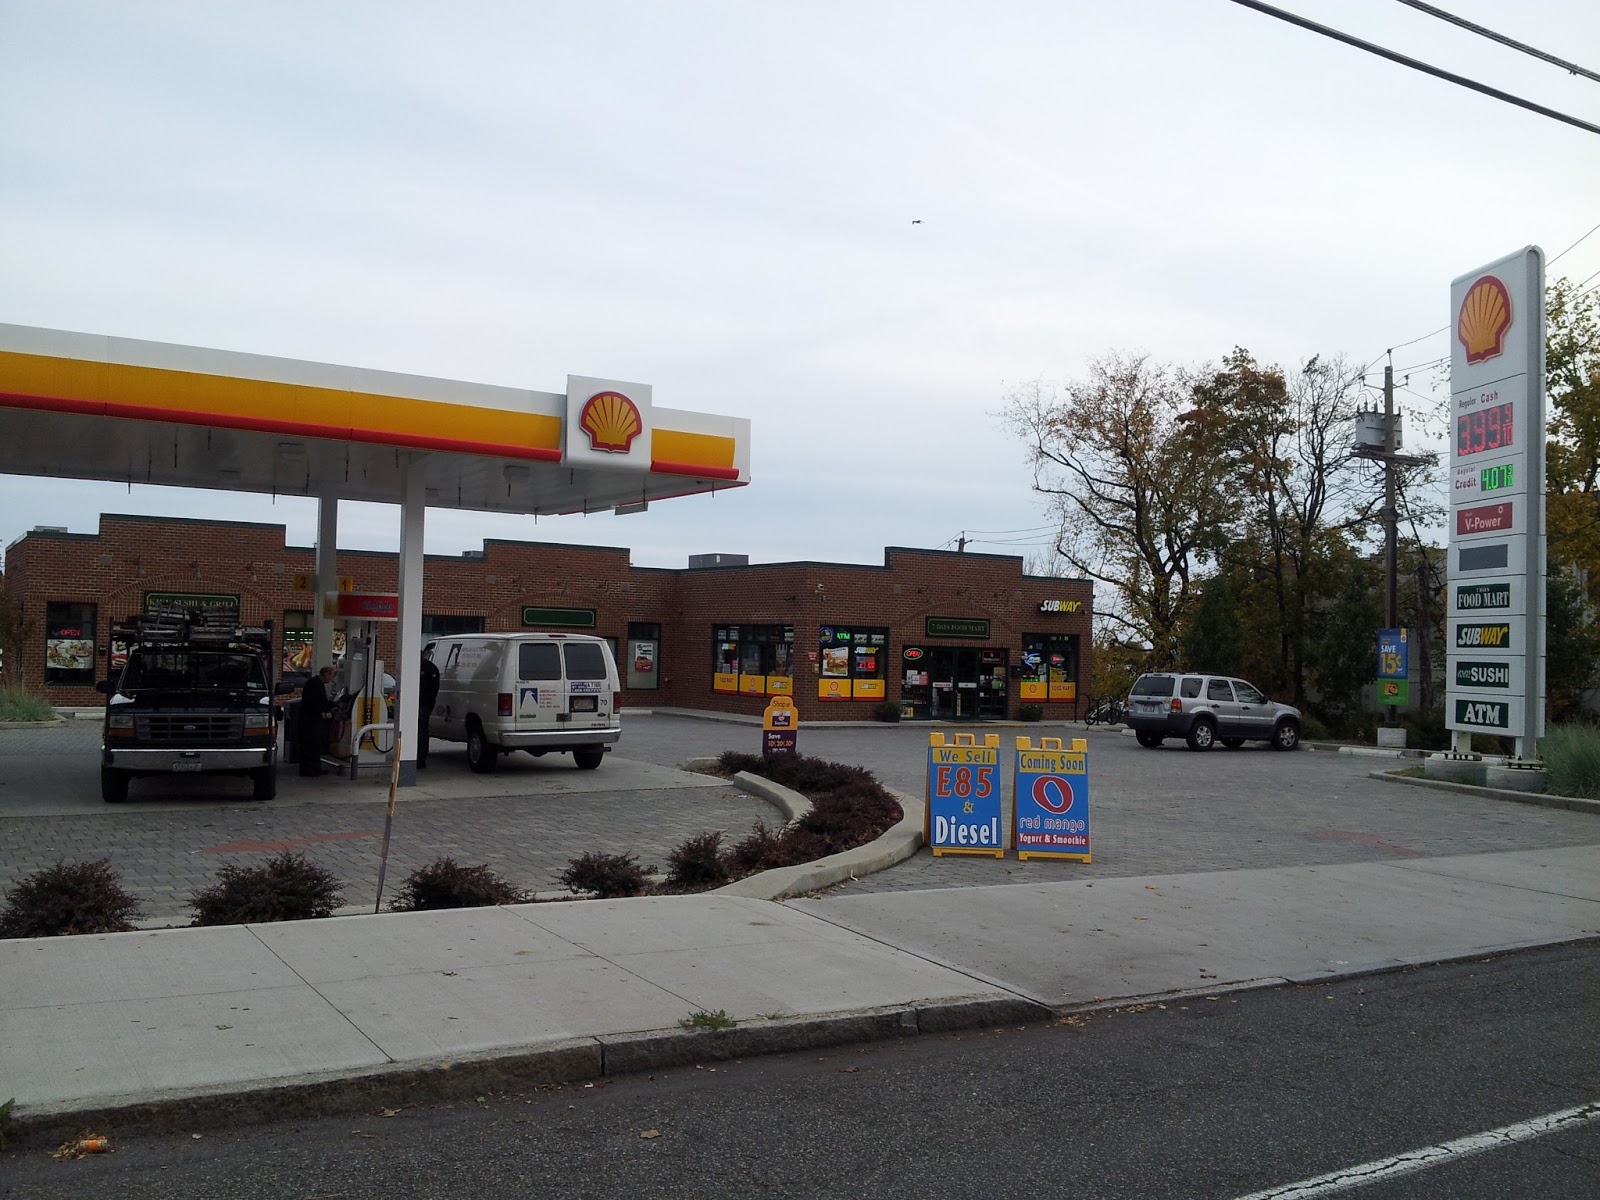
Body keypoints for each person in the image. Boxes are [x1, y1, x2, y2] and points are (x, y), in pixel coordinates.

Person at [298, 665, 336, 776]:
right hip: (310, 720)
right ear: (326, 674)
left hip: (312, 719)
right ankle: (308, 769)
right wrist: (324, 710)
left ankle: (315, 767)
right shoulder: (314, 684)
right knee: (310, 745)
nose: (331, 679)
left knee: (315, 745)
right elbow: (314, 702)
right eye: (331, 676)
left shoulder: (315, 683)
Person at [416, 652, 441, 768]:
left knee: (421, 730)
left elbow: (434, 688)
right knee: (419, 730)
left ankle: (420, 758)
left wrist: (426, 702)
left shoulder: (430, 669)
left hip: (424, 704)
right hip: (417, 704)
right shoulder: (416, 667)